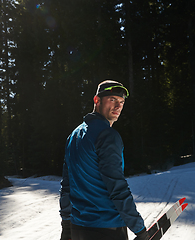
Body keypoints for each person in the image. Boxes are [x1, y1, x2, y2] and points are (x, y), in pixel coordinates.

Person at [59, 80, 150, 240]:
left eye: (121, 102)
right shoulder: (107, 135)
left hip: (78, 228)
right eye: (112, 99)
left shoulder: (73, 136)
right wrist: (140, 230)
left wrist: (67, 225)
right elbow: (117, 188)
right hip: (107, 229)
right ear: (97, 100)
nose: (118, 106)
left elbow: (67, 186)